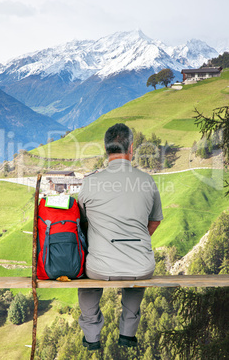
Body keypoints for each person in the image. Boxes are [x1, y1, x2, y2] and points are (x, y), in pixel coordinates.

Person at [77, 123, 163, 350]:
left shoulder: (89, 182)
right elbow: (154, 221)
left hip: (100, 268)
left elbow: (81, 224)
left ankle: (92, 337)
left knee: (88, 276)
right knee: (138, 273)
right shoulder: (147, 181)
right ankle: (127, 334)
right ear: (131, 148)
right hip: (141, 266)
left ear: (106, 149)